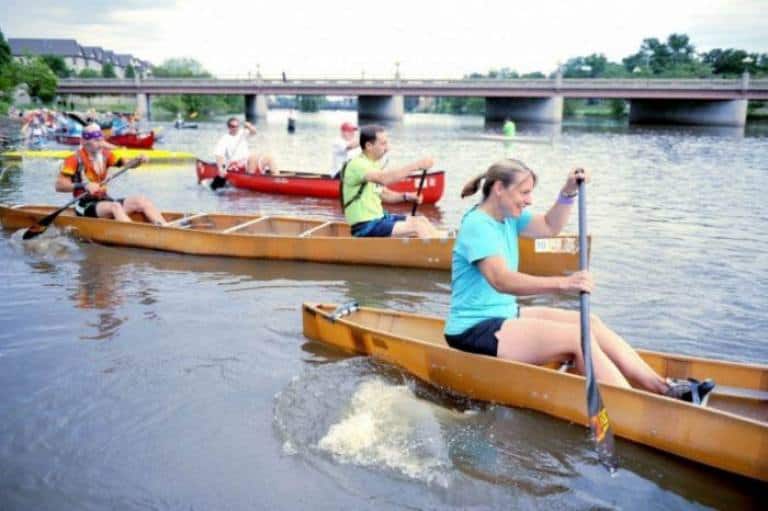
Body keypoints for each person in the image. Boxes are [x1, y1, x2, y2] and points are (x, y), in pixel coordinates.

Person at [443, 158, 713, 402]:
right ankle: (629, 407)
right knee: (576, 337)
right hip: (473, 328)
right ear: (499, 188)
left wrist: (569, 191)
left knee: (589, 323)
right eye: (524, 193)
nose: (529, 200)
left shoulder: (507, 218)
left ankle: (663, 388)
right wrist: (564, 284)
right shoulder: (478, 225)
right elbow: (501, 280)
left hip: (503, 313)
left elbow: (550, 226)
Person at [55, 123, 167, 225]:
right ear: (83, 142)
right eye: (95, 141)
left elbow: (128, 164)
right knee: (115, 206)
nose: (100, 144)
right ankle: (137, 233)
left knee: (141, 200)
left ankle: (165, 228)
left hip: (104, 201)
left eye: (100, 140)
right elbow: (59, 186)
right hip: (84, 205)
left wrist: (138, 160)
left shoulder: (105, 155)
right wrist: (84, 185)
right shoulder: (73, 159)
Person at [341, 125, 441, 238]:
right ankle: (438, 251)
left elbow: (384, 194)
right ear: (369, 146)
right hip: (365, 226)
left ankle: (446, 244)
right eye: (383, 144)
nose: (388, 148)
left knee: (421, 221)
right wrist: (417, 165)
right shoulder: (357, 165)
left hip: (379, 219)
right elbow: (384, 179)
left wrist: (406, 196)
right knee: (417, 227)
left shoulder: (374, 164)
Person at [213, 117, 278, 177]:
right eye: (233, 126)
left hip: (247, 161)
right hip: (235, 164)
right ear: (229, 127)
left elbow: (254, 132)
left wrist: (249, 126)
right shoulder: (224, 139)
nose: (235, 128)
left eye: (237, 126)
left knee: (269, 157)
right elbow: (218, 155)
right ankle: (251, 178)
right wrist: (221, 169)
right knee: (253, 156)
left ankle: (276, 178)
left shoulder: (242, 133)